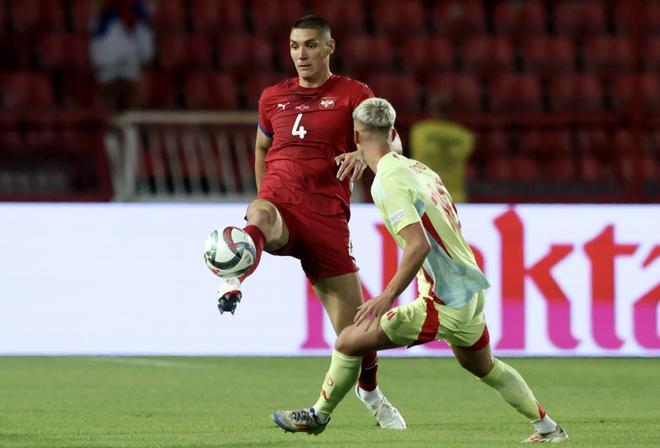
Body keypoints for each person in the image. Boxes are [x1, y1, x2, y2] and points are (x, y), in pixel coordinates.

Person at [271, 98, 568, 444]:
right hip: (470, 289)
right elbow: (387, 148)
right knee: (483, 366)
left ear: (355, 135)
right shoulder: (418, 168)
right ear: (394, 132)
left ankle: (318, 416)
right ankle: (548, 428)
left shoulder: (388, 183)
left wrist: (386, 297)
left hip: (443, 300)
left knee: (349, 340)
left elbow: (418, 246)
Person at [207, 16, 405, 430]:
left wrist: (363, 156)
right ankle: (233, 278)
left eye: (311, 45)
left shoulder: (354, 94)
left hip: (327, 219)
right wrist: (266, 193)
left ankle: (369, 391)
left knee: (355, 334)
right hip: (280, 208)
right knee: (257, 214)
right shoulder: (272, 97)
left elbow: (394, 142)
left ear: (330, 47)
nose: (301, 54)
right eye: (295, 46)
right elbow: (262, 145)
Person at [89, 0, 154, 112]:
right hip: (107, 51)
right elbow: (96, 10)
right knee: (108, 91)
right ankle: (107, 125)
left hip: (131, 52)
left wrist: (145, 54)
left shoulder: (138, 10)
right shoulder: (104, 14)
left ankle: (133, 126)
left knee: (130, 91)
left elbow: (147, 18)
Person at [409, 92, 475, 203]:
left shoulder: (419, 130)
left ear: (432, 108)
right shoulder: (465, 136)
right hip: (454, 196)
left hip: (424, 194)